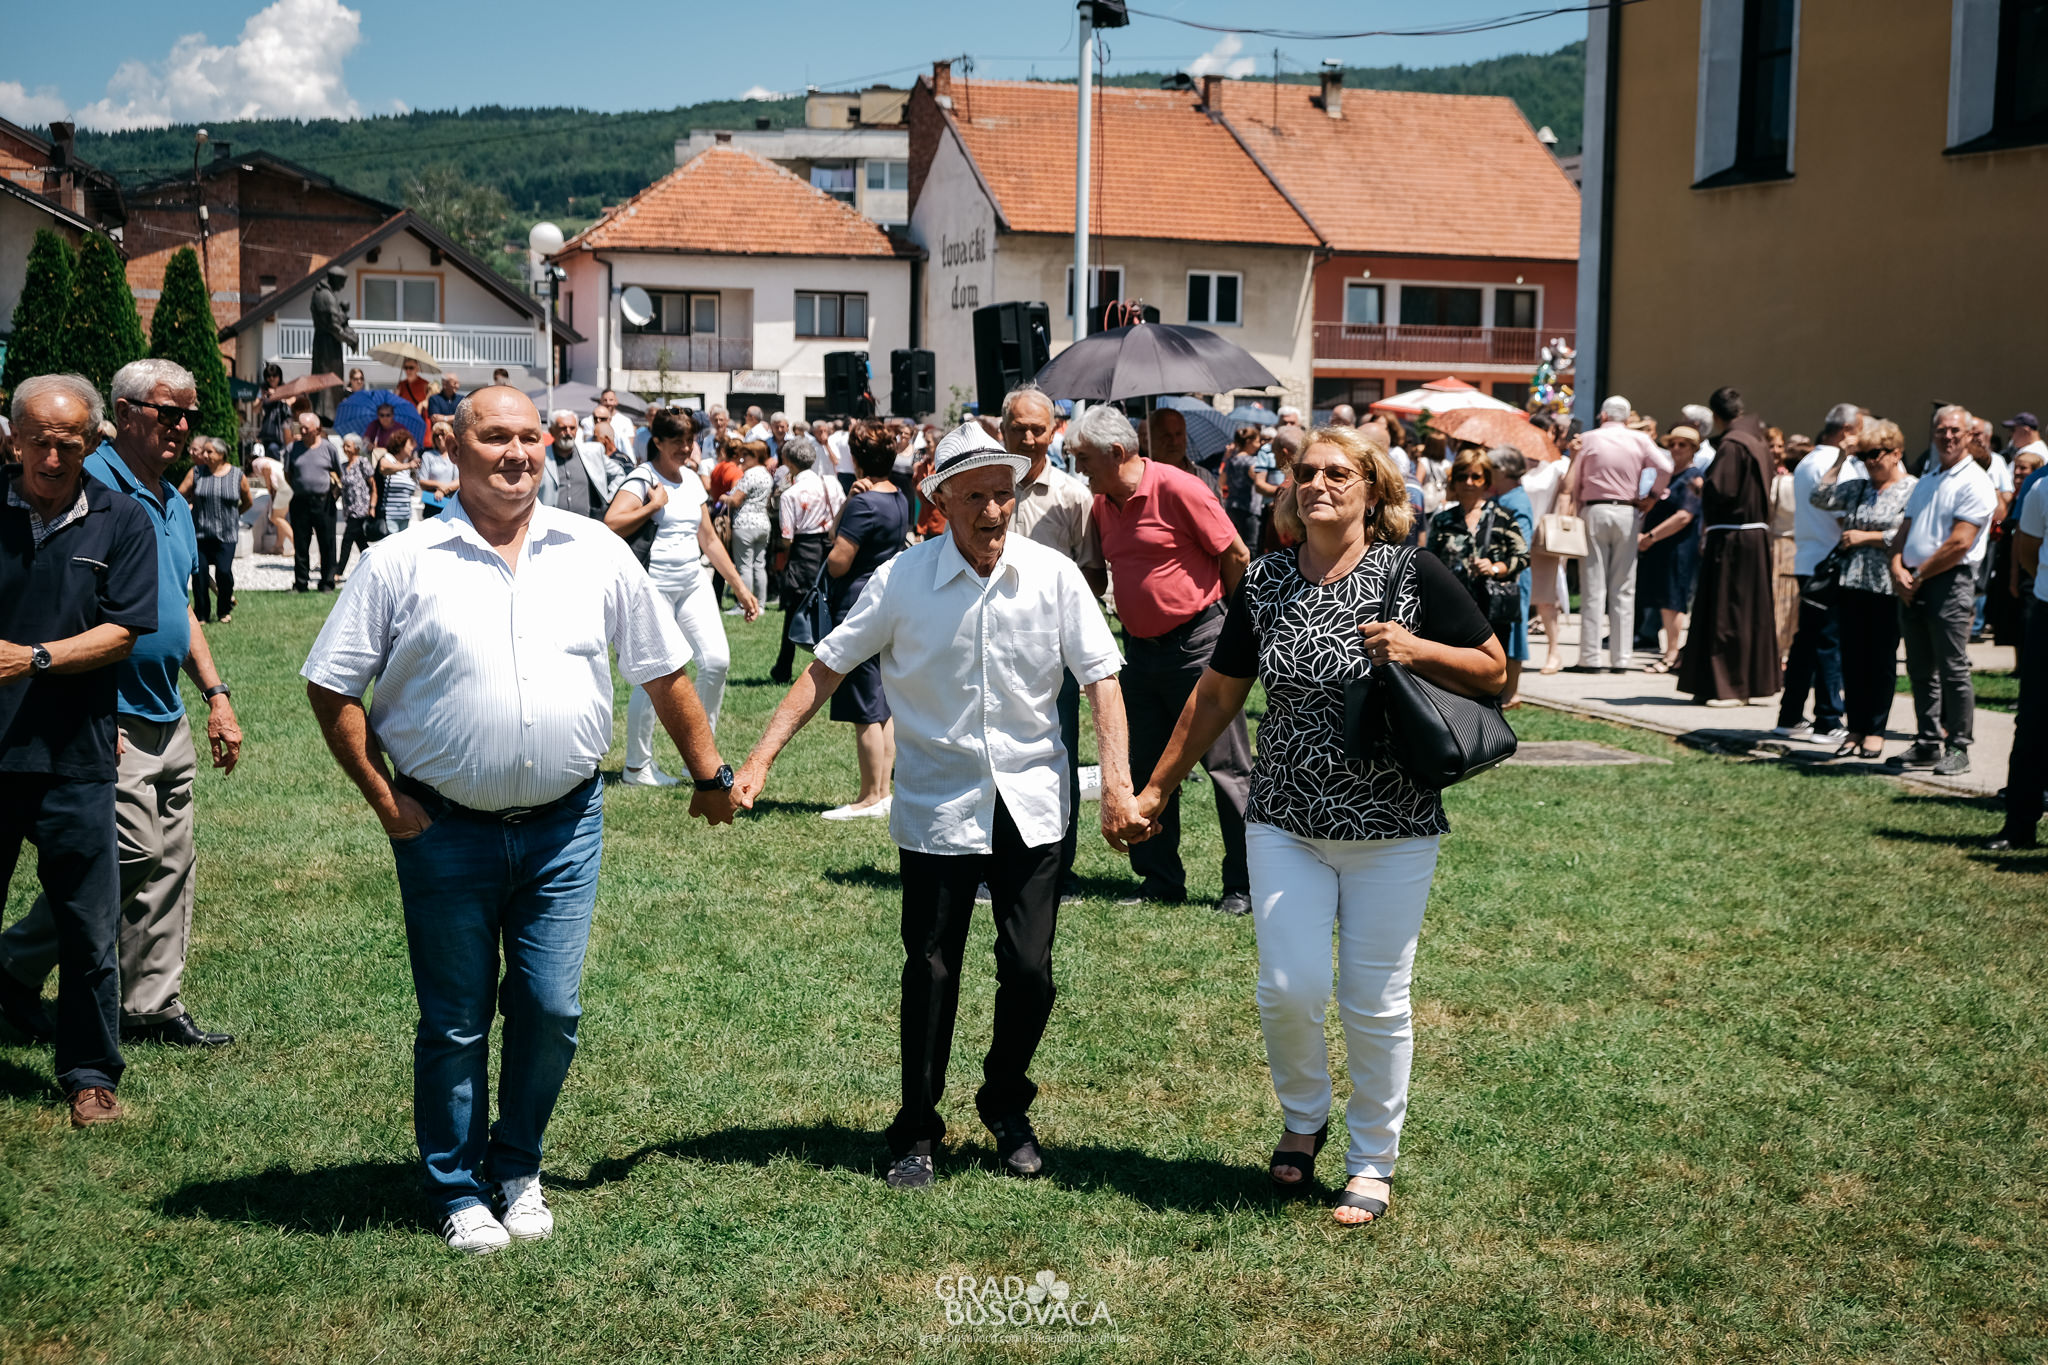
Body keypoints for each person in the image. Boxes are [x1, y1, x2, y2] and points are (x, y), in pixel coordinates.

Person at [303, 384, 738, 1254]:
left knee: (550, 1006)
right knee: (455, 1019)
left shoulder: (594, 550)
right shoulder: (400, 560)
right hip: (443, 829)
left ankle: (517, 1163)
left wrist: (709, 772)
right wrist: (386, 800)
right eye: (495, 436)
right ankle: (457, 1185)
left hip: (564, 829)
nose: (517, 453)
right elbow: (331, 683)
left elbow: (663, 669)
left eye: (530, 436)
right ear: (452, 448)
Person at [734, 420, 1140, 1190]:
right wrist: (759, 758)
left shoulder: (1052, 576)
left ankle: (1004, 1099)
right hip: (938, 803)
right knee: (929, 968)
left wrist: (1116, 784)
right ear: (940, 501)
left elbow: (1101, 678)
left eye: (1003, 494)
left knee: (1031, 970)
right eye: (976, 496)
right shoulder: (902, 581)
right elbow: (826, 668)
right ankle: (916, 1127)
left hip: (1032, 799)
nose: (993, 511)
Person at [1131, 425, 1506, 1227]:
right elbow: (1218, 692)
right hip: (1284, 819)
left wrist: (1413, 647)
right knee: (1287, 987)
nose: (1319, 484)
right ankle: (1304, 1117)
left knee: (1375, 1000)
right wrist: (1157, 788)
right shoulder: (1267, 580)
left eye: (1339, 472)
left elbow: (1495, 669)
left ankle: (1372, 1161)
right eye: (1307, 472)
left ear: (1373, 489)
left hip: (1393, 825)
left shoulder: (1413, 572)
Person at [2, 356, 245, 1062]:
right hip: (107, 712)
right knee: (126, 854)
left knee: (171, 862)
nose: (183, 426)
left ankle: (150, 1004)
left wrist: (216, 694)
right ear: (125, 413)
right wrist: (92, 706)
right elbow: (67, 606)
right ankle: (14, 963)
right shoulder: (90, 482)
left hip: (166, 708)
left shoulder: (171, 500)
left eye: (190, 414)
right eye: (168, 412)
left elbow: (181, 609)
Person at [0, 375, 160, 1125]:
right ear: (14, 440)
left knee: (88, 927)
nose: (52, 458)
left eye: (68, 444)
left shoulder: (122, 519)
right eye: (38, 441)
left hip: (76, 756)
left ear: (94, 443)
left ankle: (91, 1073)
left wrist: (33, 659)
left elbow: (123, 631)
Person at [1071, 405, 1255, 915]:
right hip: (1139, 652)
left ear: (1116, 452)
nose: (1079, 468)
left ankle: (1243, 884)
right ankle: (1160, 879)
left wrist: (1235, 633)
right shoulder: (1102, 505)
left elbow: (1236, 554)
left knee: (1227, 768)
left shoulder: (1179, 488)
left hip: (1200, 645)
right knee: (1146, 766)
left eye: (1084, 458)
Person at [604, 409, 760, 785]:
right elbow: (610, 524)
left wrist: (740, 587)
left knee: (717, 661)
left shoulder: (691, 480)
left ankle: (700, 758)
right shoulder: (643, 478)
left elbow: (708, 539)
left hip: (692, 582)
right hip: (653, 587)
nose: (686, 448)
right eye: (678, 442)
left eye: (690, 441)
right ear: (657, 442)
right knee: (655, 674)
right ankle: (637, 767)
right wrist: (653, 506)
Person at [1001, 386, 1105, 897]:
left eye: (1037, 429)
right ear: (1002, 430)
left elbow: (1094, 573)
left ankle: (1058, 868)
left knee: (1057, 755)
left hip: (1052, 651)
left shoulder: (1073, 496)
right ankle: (994, 864)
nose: (1028, 438)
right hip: (987, 642)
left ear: (1054, 432)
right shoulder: (986, 487)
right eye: (1018, 428)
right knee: (992, 753)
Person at [1886, 405, 1996, 774]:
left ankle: (1959, 745)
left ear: (1968, 435)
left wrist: (1918, 575)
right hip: (1913, 582)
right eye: (1941, 430)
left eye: (1954, 430)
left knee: (1952, 668)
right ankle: (1927, 742)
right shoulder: (1928, 479)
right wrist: (1897, 566)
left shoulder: (1975, 481)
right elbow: (1905, 529)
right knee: (1919, 669)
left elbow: (1960, 542)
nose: (1947, 436)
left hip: (1949, 582)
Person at [812, 422, 913, 820]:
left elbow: (838, 562)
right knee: (881, 702)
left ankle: (870, 796)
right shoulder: (898, 496)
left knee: (863, 707)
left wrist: (847, 510)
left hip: (856, 604)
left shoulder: (863, 504)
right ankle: (883, 791)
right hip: (890, 599)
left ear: (855, 459)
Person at [1810, 418, 1916, 760]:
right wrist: (1842, 458)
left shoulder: (1911, 489)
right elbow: (1819, 496)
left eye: (1876, 454)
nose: (1870, 461)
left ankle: (1875, 730)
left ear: (1896, 453)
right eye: (1865, 455)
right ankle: (1854, 728)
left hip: (1887, 585)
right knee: (1853, 660)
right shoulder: (1858, 487)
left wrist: (1866, 537)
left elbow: (1907, 532)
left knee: (1881, 661)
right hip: (1852, 583)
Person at [1679, 388, 1783, 706]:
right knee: (1748, 612)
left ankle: (1731, 687)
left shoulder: (1732, 444)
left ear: (1715, 415)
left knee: (1728, 613)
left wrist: (1701, 487)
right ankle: (1741, 683)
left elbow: (1723, 490)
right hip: (1754, 537)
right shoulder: (1757, 441)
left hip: (1733, 540)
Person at [1773, 404, 1864, 741]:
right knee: (1828, 642)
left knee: (1807, 642)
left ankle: (1790, 714)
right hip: (1829, 561)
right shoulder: (1837, 465)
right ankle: (1828, 719)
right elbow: (1844, 515)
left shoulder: (1808, 461)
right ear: (1847, 431)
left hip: (1808, 558)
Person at [1568, 395, 1669, 671]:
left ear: (1603, 416)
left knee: (1593, 585)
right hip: (1627, 512)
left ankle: (1589, 657)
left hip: (1594, 509)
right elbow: (1665, 467)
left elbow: (1575, 481)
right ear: (1626, 418)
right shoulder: (1640, 439)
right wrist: (1653, 496)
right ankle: (1621, 658)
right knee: (1624, 587)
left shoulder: (1588, 439)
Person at [1988, 466, 2047, 848]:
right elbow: (2028, 550)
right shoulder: (2042, 487)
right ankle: (2020, 825)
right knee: (2033, 721)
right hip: (2046, 611)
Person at [1425, 449, 1530, 661]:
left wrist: (1495, 568)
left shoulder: (1502, 517)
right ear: (1454, 481)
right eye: (1462, 476)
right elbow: (1430, 563)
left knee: (1492, 668)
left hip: (1491, 608)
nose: (1469, 482)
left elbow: (1523, 556)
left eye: (1476, 476)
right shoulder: (1443, 520)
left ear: (1486, 481)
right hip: (1453, 608)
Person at [770, 433, 844, 685]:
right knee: (831, 606)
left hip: (803, 551)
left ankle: (783, 667)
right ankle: (836, 665)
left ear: (789, 462)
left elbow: (787, 537)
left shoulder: (790, 494)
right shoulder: (831, 483)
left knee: (795, 610)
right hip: (831, 549)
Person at [1635, 426, 1705, 673]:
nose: (1676, 449)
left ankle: (1671, 653)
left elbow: (1684, 516)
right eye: (1672, 444)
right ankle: (1669, 651)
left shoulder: (1693, 478)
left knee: (1673, 601)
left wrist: (1651, 537)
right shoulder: (1669, 476)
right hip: (1661, 548)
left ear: (1693, 449)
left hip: (1679, 548)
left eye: (1682, 444)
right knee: (1663, 600)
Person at [1484, 445, 1536, 705]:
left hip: (1513, 576)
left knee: (1515, 630)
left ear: (1502, 471)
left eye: (1489, 468)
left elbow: (1521, 544)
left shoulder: (1516, 501)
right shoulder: (1504, 497)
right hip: (1500, 574)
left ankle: (1512, 692)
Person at [179, 436, 250, 623]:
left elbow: (248, 501)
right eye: (204, 451)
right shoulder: (196, 472)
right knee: (200, 575)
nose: (204, 455)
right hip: (200, 534)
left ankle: (224, 610)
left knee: (224, 572)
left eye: (209, 451)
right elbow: (179, 494)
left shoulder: (237, 475)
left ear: (221, 454)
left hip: (226, 534)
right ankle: (202, 613)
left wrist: (234, 515)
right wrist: (188, 508)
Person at [1522, 441, 1573, 674]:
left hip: (1543, 538)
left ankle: (1554, 652)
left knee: (1546, 600)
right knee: (1517, 598)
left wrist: (1576, 458)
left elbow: (1567, 492)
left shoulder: (1557, 465)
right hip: (1517, 536)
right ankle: (1515, 653)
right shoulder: (1517, 466)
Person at [285, 412, 344, 592]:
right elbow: (288, 474)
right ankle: (301, 583)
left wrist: (334, 493)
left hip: (324, 501)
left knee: (327, 543)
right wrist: (300, 487)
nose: (302, 431)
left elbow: (339, 473)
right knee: (301, 544)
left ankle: (327, 582)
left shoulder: (328, 448)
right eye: (300, 427)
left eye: (306, 428)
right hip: (300, 501)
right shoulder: (292, 448)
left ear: (317, 429)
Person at [722, 439, 774, 612]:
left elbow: (736, 500)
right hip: (763, 523)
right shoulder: (766, 475)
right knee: (759, 565)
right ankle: (760, 604)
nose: (742, 459)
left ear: (755, 456)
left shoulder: (750, 474)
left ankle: (744, 605)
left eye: (745, 455)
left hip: (745, 524)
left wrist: (724, 498)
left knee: (744, 566)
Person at [542, 409, 612, 519]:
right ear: (552, 430)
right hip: (551, 523)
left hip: (586, 524)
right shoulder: (541, 456)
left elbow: (619, 474)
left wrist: (610, 497)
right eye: (563, 428)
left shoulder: (591, 453)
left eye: (572, 428)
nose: (568, 432)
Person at [336, 432, 377, 574]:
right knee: (361, 542)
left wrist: (372, 506)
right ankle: (374, 565)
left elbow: (373, 485)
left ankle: (338, 571)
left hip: (360, 508)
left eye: (348, 446)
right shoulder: (342, 466)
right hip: (348, 509)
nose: (345, 448)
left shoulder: (362, 462)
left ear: (356, 448)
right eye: (344, 446)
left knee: (347, 539)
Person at [248, 441, 292, 556]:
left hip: (283, 489)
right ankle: (278, 546)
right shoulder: (266, 459)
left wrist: (268, 487)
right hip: (287, 487)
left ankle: (296, 546)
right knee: (280, 518)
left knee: (275, 518)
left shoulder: (256, 463)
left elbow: (266, 468)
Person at [376, 431, 421, 539]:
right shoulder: (389, 458)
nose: (412, 448)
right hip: (390, 515)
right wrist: (408, 465)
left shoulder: (408, 466)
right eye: (410, 444)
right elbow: (383, 467)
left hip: (405, 515)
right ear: (401, 444)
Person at [418, 420, 460, 519]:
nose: (440, 438)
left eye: (442, 434)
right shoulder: (427, 455)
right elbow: (422, 481)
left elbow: (461, 479)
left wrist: (444, 490)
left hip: (452, 502)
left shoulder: (457, 454)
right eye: (436, 435)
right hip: (433, 503)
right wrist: (439, 486)